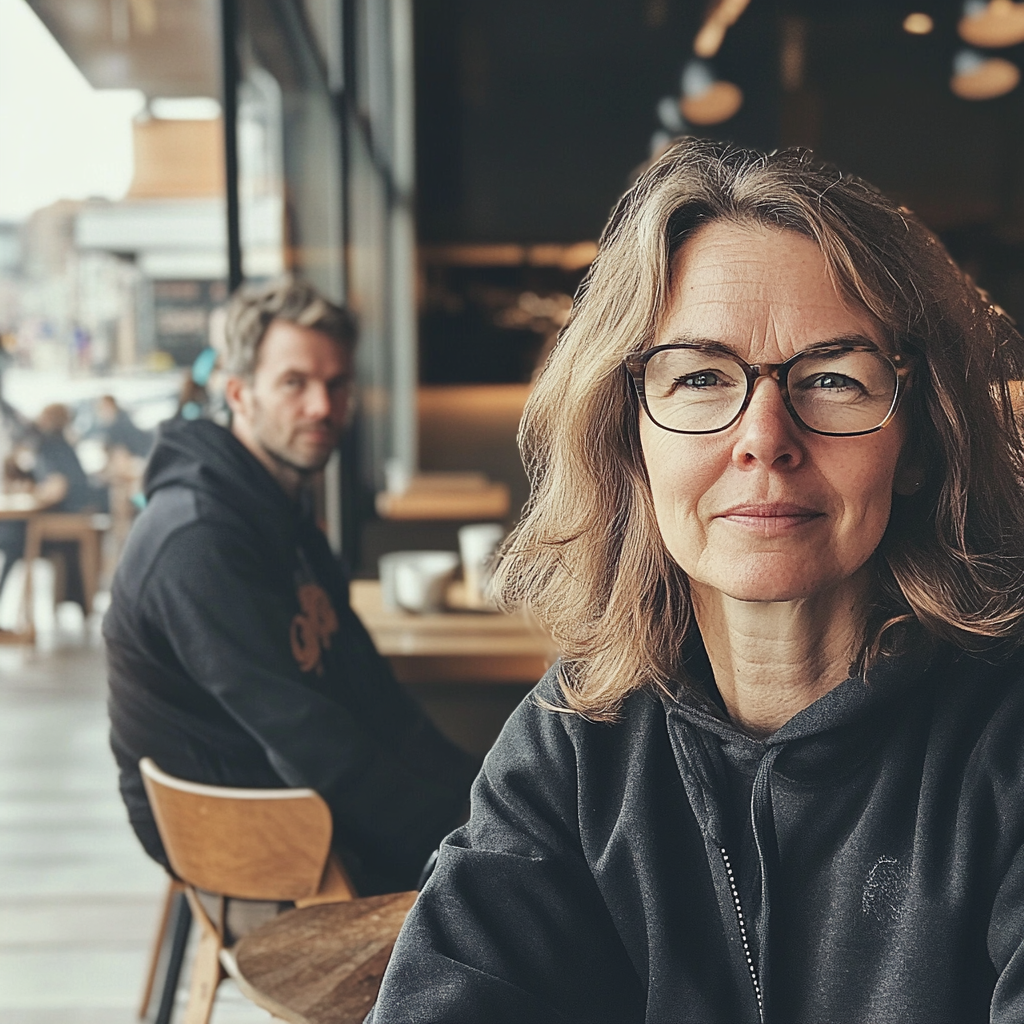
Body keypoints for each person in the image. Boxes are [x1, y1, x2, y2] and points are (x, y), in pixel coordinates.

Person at [370, 138, 1024, 1022]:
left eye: (833, 378)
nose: (764, 437)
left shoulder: (1003, 744)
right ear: (630, 444)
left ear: (919, 444)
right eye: (701, 376)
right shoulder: (578, 740)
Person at [105, 278, 478, 896]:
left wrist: (489, 796)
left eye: (336, 385)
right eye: (293, 383)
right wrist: (471, 837)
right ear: (238, 393)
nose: (322, 408)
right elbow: (312, 745)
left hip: (308, 806)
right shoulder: (199, 543)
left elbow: (371, 691)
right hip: (263, 836)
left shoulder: (282, 511)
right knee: (549, 911)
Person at [0, 403, 107, 608]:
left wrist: (32, 494)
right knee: (12, 537)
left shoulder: (46, 444)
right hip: (80, 512)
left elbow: (58, 488)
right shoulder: (63, 444)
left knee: (12, 537)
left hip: (66, 516)